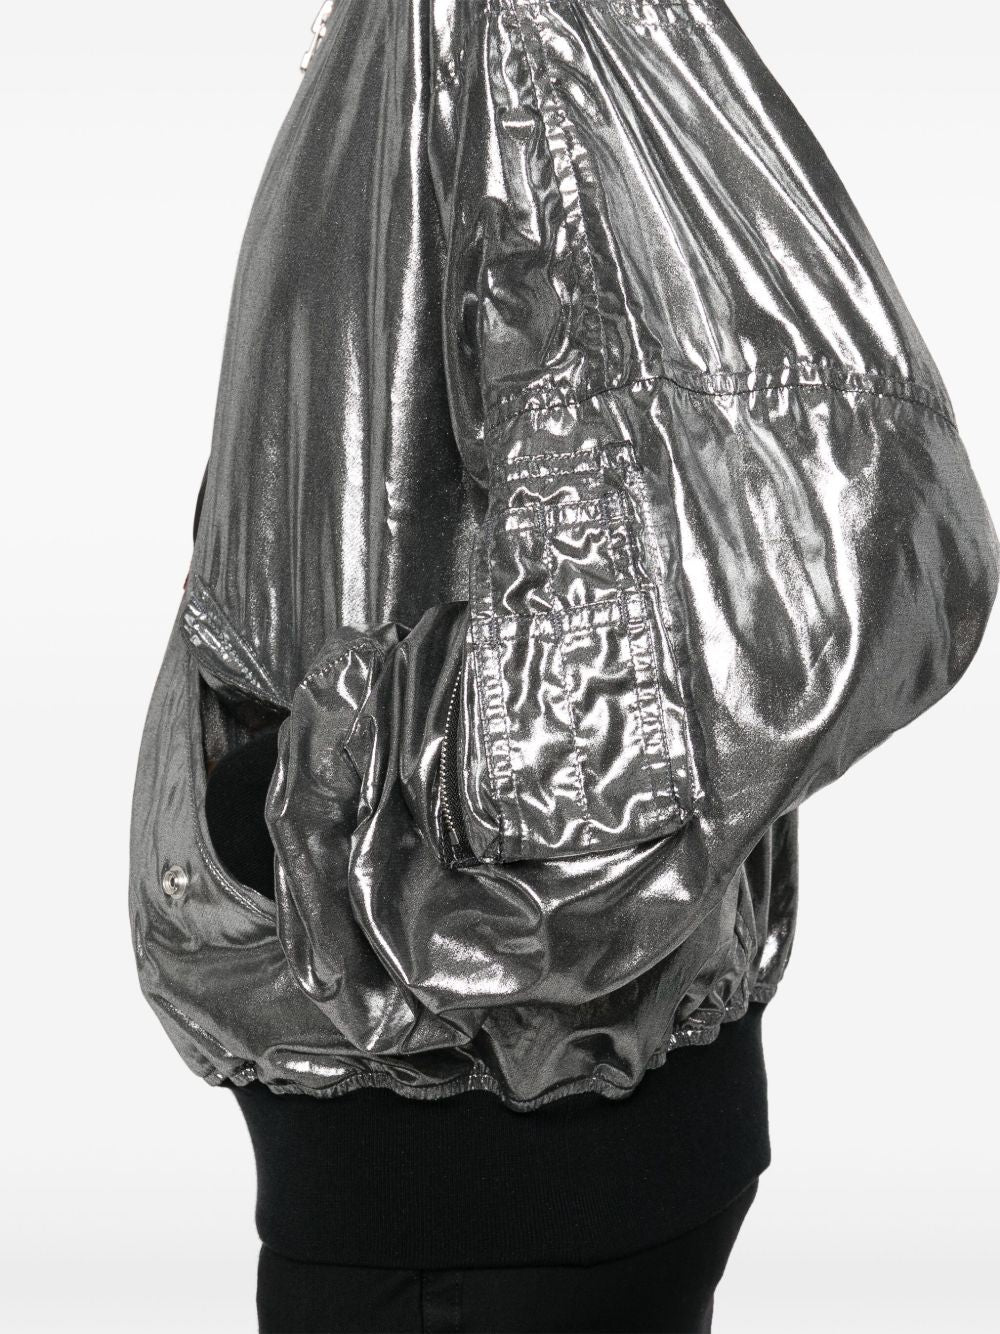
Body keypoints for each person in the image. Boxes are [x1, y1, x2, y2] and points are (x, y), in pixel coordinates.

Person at [129, 3, 997, 1331]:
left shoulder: (508, 34)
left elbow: (768, 578)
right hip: (492, 1163)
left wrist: (332, 792)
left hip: (479, 1174)